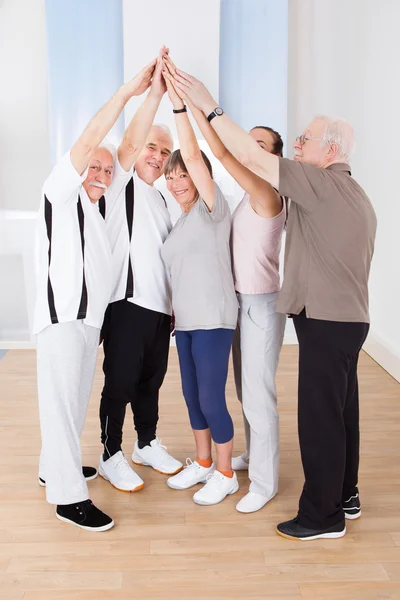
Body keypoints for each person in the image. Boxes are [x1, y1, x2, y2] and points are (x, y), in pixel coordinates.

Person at [169, 68, 377, 539]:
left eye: (306, 139)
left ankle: (322, 517)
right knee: (342, 411)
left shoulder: (316, 183)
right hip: (344, 319)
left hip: (326, 319)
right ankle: (345, 494)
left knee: (319, 416)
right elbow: (226, 153)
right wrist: (193, 110)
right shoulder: (350, 191)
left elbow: (235, 150)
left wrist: (204, 100)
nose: (301, 143)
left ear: (331, 151)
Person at [34, 59, 158, 530]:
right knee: (63, 403)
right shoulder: (60, 193)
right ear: (77, 167)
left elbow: (125, 148)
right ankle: (68, 498)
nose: (103, 171)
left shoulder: (104, 203)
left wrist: (155, 95)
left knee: (72, 400)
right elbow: (95, 140)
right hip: (64, 317)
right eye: (95, 165)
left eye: (108, 169)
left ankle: (54, 467)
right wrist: (128, 92)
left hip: (91, 323)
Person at [186, 89, 287, 513]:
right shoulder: (246, 196)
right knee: (246, 392)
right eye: (250, 141)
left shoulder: (268, 194)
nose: (250, 149)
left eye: (259, 145)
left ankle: (264, 483)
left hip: (261, 304)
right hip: (237, 304)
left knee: (258, 393)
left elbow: (224, 155)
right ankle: (254, 456)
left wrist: (195, 102)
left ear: (274, 158)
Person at [98, 48, 182, 492]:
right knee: (121, 381)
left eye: (165, 151)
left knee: (151, 381)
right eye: (153, 145)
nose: (157, 154)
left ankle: (145, 443)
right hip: (127, 304)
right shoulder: (123, 181)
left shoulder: (165, 198)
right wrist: (154, 93)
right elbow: (128, 145)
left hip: (158, 310)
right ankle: (110, 452)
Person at [160, 58, 238, 506]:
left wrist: (178, 106)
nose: (175, 182)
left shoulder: (214, 209)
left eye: (182, 173)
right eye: (170, 177)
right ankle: (205, 463)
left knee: (211, 394)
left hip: (213, 317)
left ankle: (226, 472)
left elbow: (191, 152)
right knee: (192, 396)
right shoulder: (181, 223)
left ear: (199, 175)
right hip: (187, 322)